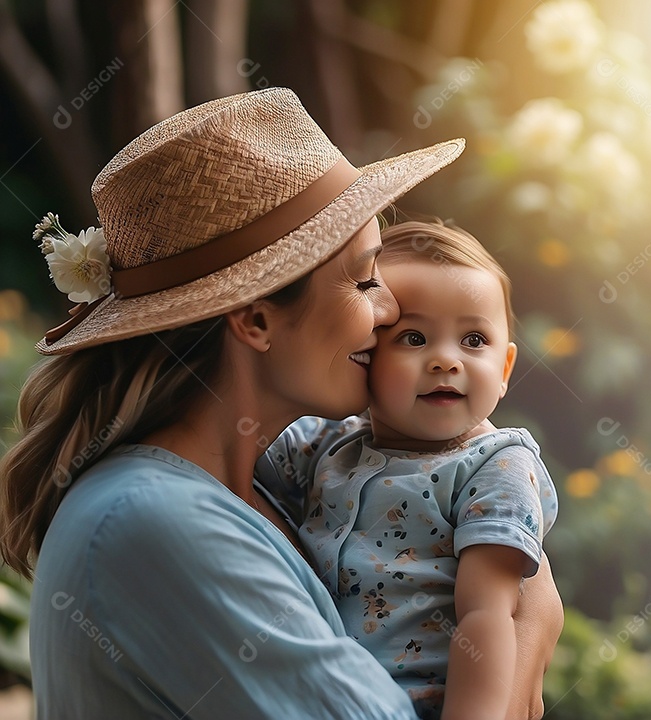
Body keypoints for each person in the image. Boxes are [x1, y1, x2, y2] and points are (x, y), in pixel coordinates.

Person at [0, 88, 561, 719]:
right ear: (258, 321)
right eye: (363, 279)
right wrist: (532, 620)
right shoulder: (154, 521)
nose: (388, 311)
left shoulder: (269, 482)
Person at [256, 221, 558, 719]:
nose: (445, 360)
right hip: (325, 695)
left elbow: (487, 615)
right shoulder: (333, 444)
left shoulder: (496, 466)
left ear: (504, 370)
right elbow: (240, 437)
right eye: (414, 337)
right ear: (365, 357)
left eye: (474, 339)